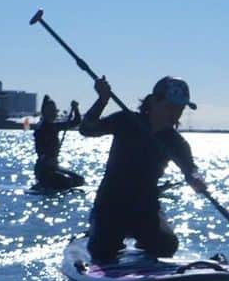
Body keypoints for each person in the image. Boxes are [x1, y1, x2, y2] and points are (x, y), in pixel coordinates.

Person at [79, 75, 207, 262]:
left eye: (180, 108)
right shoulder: (127, 120)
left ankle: (140, 237)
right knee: (102, 252)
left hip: (145, 205)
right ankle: (100, 230)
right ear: (154, 102)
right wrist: (102, 100)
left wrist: (196, 179)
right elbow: (87, 129)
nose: (176, 113)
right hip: (111, 201)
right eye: (171, 106)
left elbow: (190, 169)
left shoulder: (176, 142)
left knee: (167, 246)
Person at [33, 96, 85, 191]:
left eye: (54, 110)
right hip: (43, 169)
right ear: (44, 112)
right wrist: (46, 158)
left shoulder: (55, 126)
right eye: (50, 110)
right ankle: (43, 184)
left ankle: (54, 183)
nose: (53, 112)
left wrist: (75, 109)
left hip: (54, 167)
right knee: (67, 182)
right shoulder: (41, 129)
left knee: (79, 180)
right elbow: (39, 149)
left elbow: (76, 122)